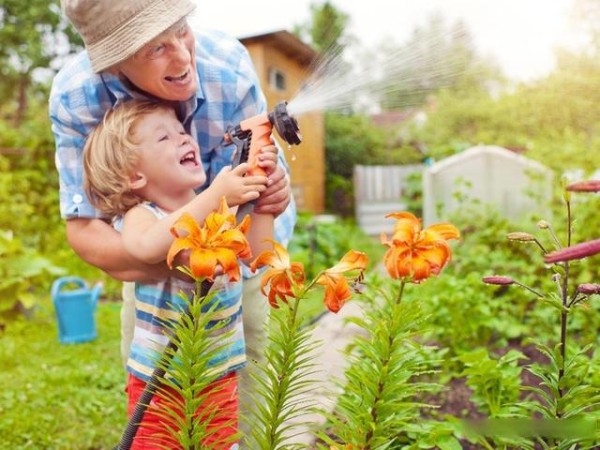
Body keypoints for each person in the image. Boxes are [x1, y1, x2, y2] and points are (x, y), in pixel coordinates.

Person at [49, 0, 296, 431]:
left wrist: (269, 202)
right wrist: (185, 251)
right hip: (154, 304)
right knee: (158, 425)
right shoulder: (78, 97)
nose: (183, 58)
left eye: (181, 30)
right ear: (115, 61)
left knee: (250, 422)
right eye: (153, 48)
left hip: (228, 322)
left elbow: (255, 252)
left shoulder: (228, 68)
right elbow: (93, 229)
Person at [82, 99, 275, 448]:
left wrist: (262, 200)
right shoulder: (144, 214)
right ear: (134, 175)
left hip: (218, 376)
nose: (185, 139)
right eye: (165, 138)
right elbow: (146, 246)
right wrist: (216, 194)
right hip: (162, 383)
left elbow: (259, 256)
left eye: (183, 131)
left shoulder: (219, 208)